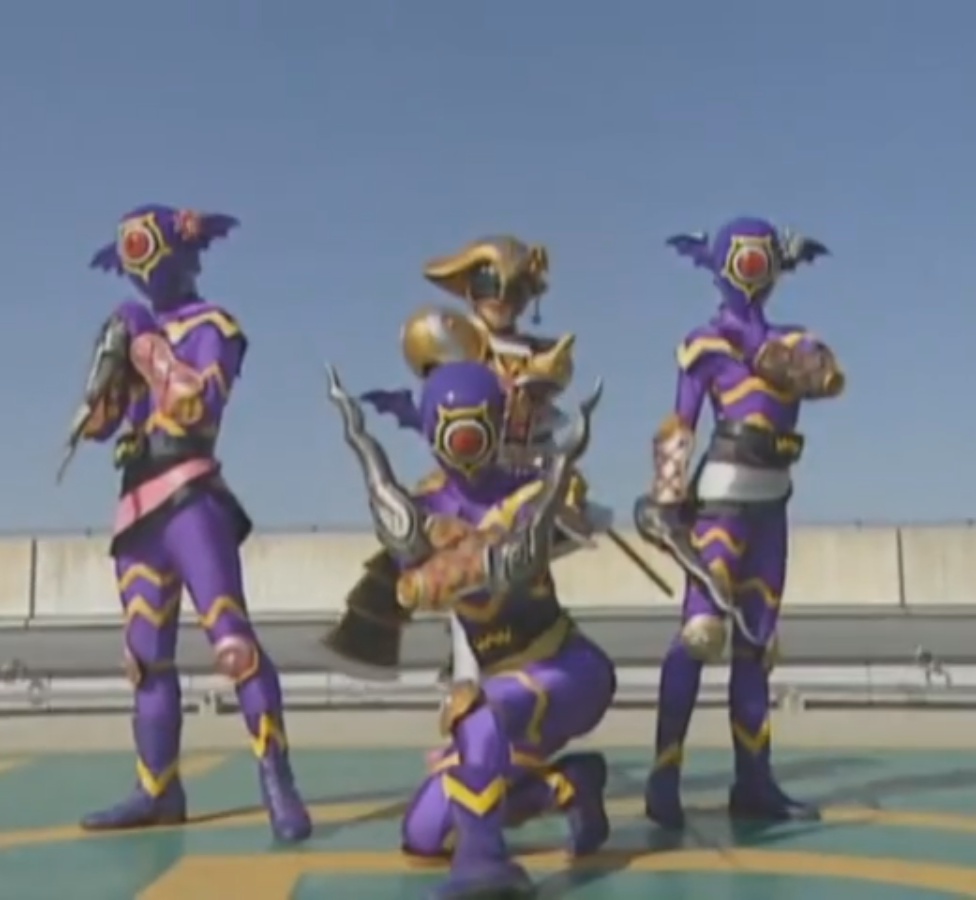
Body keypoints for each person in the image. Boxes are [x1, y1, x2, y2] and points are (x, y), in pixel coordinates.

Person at [66, 204, 312, 840]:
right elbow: (101, 425)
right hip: (136, 508)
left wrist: (145, 344)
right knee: (144, 659)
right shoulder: (135, 325)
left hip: (190, 495)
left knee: (232, 645)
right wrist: (107, 372)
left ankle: (277, 777)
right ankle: (157, 788)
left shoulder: (213, 325)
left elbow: (195, 403)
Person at [325, 360, 614, 899]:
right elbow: (413, 550)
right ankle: (568, 785)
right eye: (451, 430)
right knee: (423, 835)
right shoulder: (424, 505)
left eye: (475, 428)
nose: (464, 446)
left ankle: (484, 863)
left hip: (564, 669)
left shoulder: (534, 492)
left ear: (497, 422)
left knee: (475, 711)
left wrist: (461, 555)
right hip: (501, 687)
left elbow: (522, 552)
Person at [633, 216, 845, 828]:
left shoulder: (795, 342)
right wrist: (667, 496)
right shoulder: (704, 346)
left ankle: (754, 780)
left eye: (764, 260)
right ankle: (664, 776)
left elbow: (822, 379)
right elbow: (681, 422)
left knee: (757, 643)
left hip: (772, 501)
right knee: (701, 632)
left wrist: (763, 348)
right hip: (721, 501)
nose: (756, 273)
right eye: (747, 260)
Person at [331, 236, 590, 685]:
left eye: (514, 288)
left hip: (521, 484)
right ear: (469, 289)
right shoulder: (454, 345)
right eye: (488, 284)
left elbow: (545, 424)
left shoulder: (540, 354)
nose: (500, 298)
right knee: (437, 555)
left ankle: (521, 678)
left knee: (519, 576)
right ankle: (461, 678)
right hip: (468, 484)